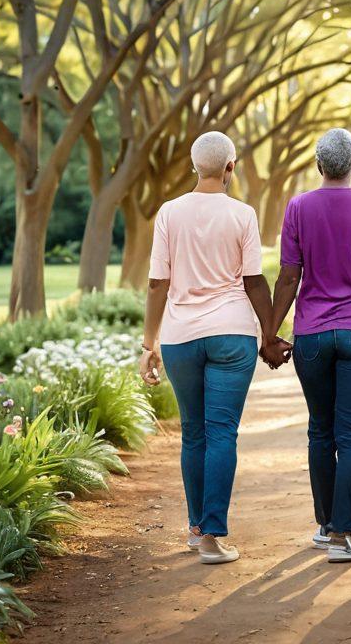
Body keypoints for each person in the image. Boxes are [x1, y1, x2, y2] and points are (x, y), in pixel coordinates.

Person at [139, 131, 275, 566]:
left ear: (193, 165)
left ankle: (197, 530)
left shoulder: (169, 212)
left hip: (180, 336)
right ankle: (212, 536)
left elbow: (157, 283)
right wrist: (269, 334)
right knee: (221, 432)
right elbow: (254, 281)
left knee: (193, 432)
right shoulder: (243, 214)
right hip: (232, 334)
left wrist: (148, 343)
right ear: (230, 167)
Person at [268, 128, 351, 564]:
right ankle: (342, 537)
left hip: (313, 335)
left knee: (320, 430)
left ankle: (325, 526)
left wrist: (270, 333)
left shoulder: (298, 207)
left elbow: (289, 276)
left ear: (318, 165)